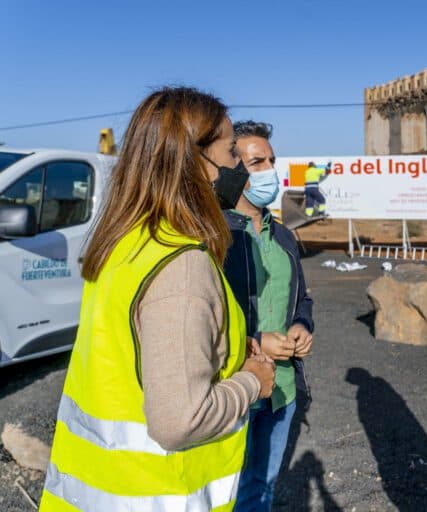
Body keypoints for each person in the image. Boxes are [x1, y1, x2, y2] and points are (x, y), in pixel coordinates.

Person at [39, 87, 276, 512]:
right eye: (230, 150)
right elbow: (180, 421)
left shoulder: (126, 242)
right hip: (157, 496)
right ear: (197, 163)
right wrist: (253, 380)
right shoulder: (182, 266)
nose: (238, 165)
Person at [226, 120, 315, 512]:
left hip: (282, 389)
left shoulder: (284, 237)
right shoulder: (215, 236)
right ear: (234, 170)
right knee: (224, 489)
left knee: (261, 490)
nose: (270, 171)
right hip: (234, 385)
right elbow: (204, 317)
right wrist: (255, 339)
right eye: (257, 162)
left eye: (272, 161)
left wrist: (302, 326)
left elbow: (302, 299)